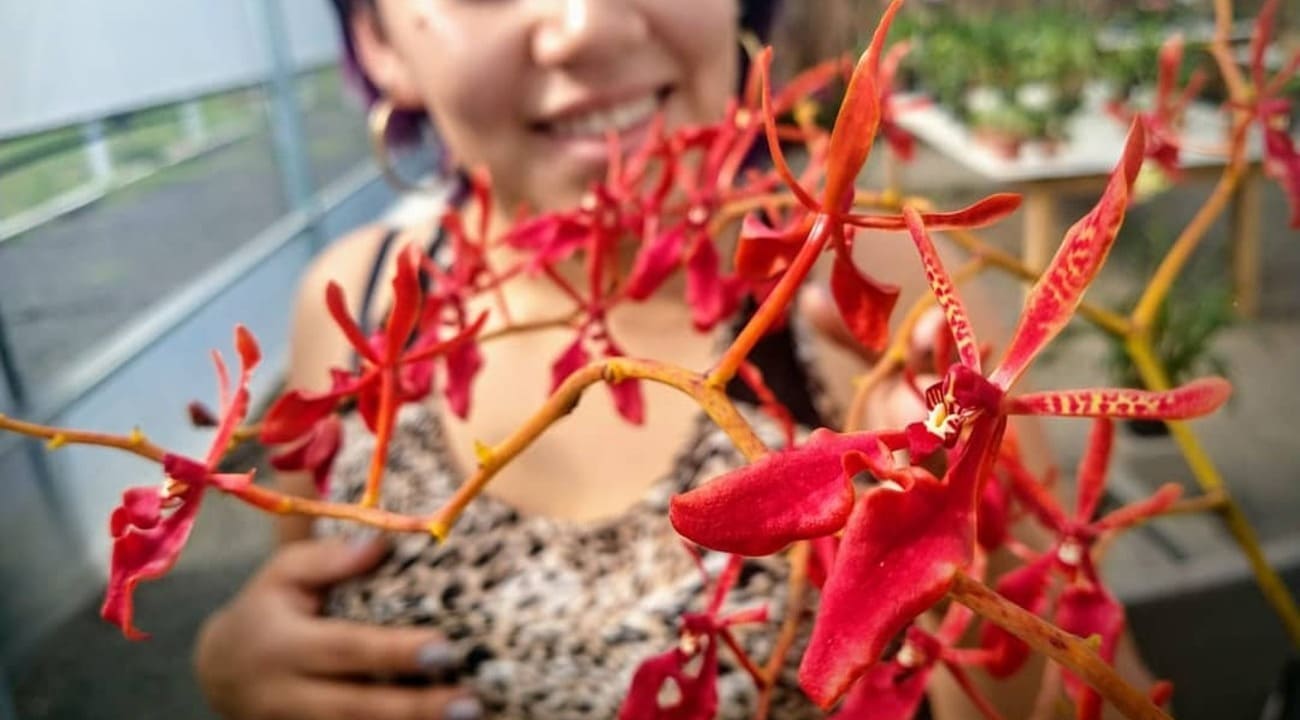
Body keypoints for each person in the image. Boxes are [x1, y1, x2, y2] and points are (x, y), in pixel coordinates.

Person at [192, 1, 1046, 718]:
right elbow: (299, 583)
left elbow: (1037, 683)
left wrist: (973, 518)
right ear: (375, 37)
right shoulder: (357, 305)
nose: (585, 26)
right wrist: (233, 671)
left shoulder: (885, 283)